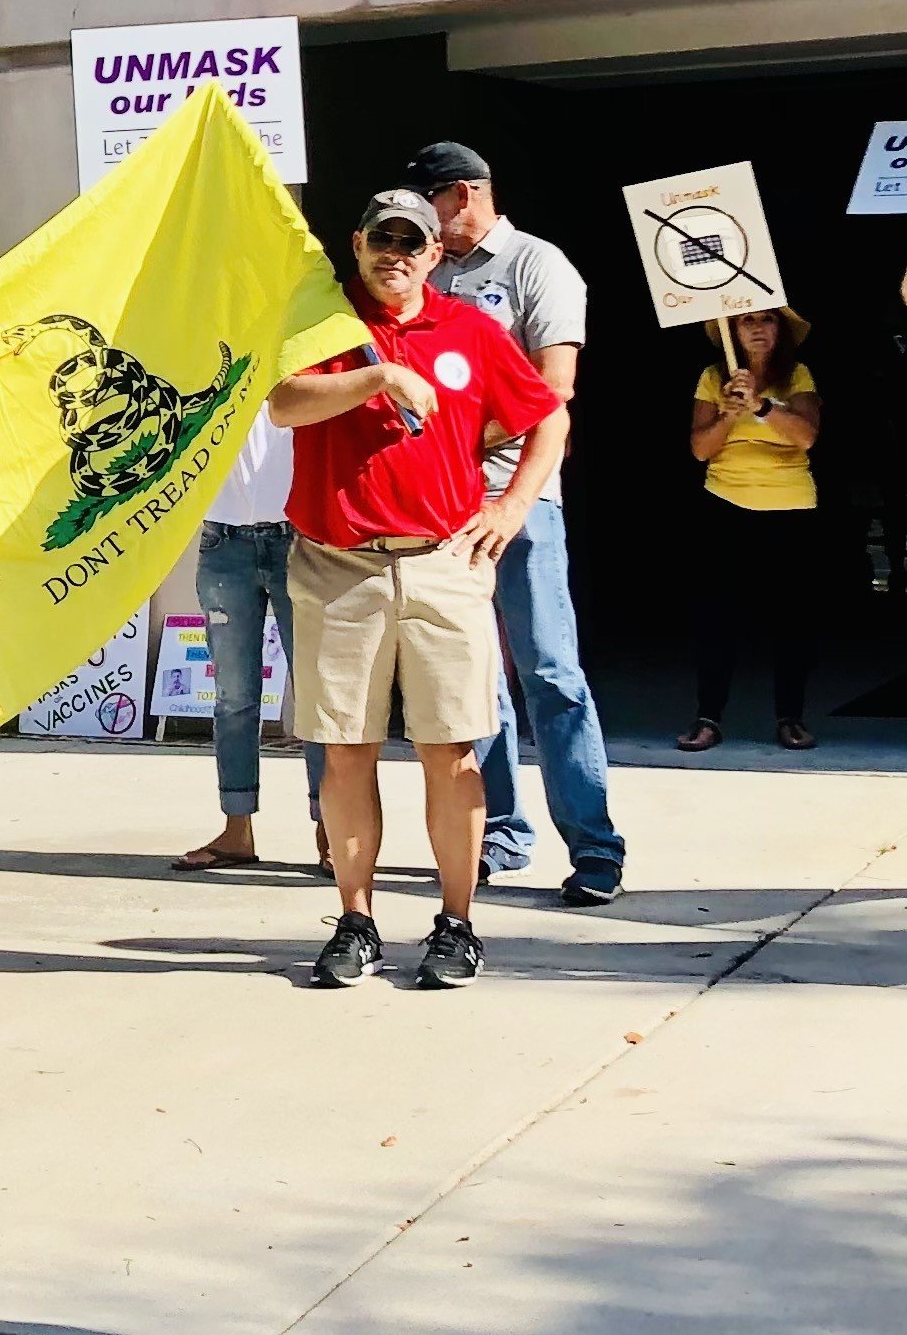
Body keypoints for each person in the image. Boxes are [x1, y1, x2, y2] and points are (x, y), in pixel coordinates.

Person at [270, 188, 568, 994]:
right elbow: (284, 403)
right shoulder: (323, 321)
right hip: (338, 564)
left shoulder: (471, 329)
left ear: (436, 253)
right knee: (345, 750)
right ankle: (356, 922)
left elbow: (547, 416)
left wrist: (511, 507)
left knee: (453, 749)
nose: (394, 255)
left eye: (412, 242)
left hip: (442, 561)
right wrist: (377, 377)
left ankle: (457, 925)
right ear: (358, 242)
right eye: (383, 238)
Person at [410, 141, 626, 905]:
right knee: (472, 680)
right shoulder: (427, 273)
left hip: (519, 498)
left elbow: (553, 388)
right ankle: (499, 833)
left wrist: (472, 450)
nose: (423, 222)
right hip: (440, 507)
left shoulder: (537, 264)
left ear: (465, 194)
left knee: (550, 673)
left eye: (430, 204)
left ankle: (594, 847)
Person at [678, 306, 828, 752]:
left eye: (768, 320)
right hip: (725, 499)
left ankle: (790, 717)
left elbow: (807, 436)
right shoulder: (713, 377)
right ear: (733, 330)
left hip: (791, 502)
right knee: (716, 616)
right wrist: (728, 413)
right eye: (747, 321)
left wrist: (761, 405)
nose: (759, 328)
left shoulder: (797, 375)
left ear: (781, 330)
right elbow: (700, 449)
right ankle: (708, 717)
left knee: (793, 618)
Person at [169, 412, 296, 872]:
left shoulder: (308, 364)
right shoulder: (208, 366)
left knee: (320, 697)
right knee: (233, 697)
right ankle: (236, 828)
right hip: (223, 538)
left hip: (298, 535)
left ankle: (332, 831)